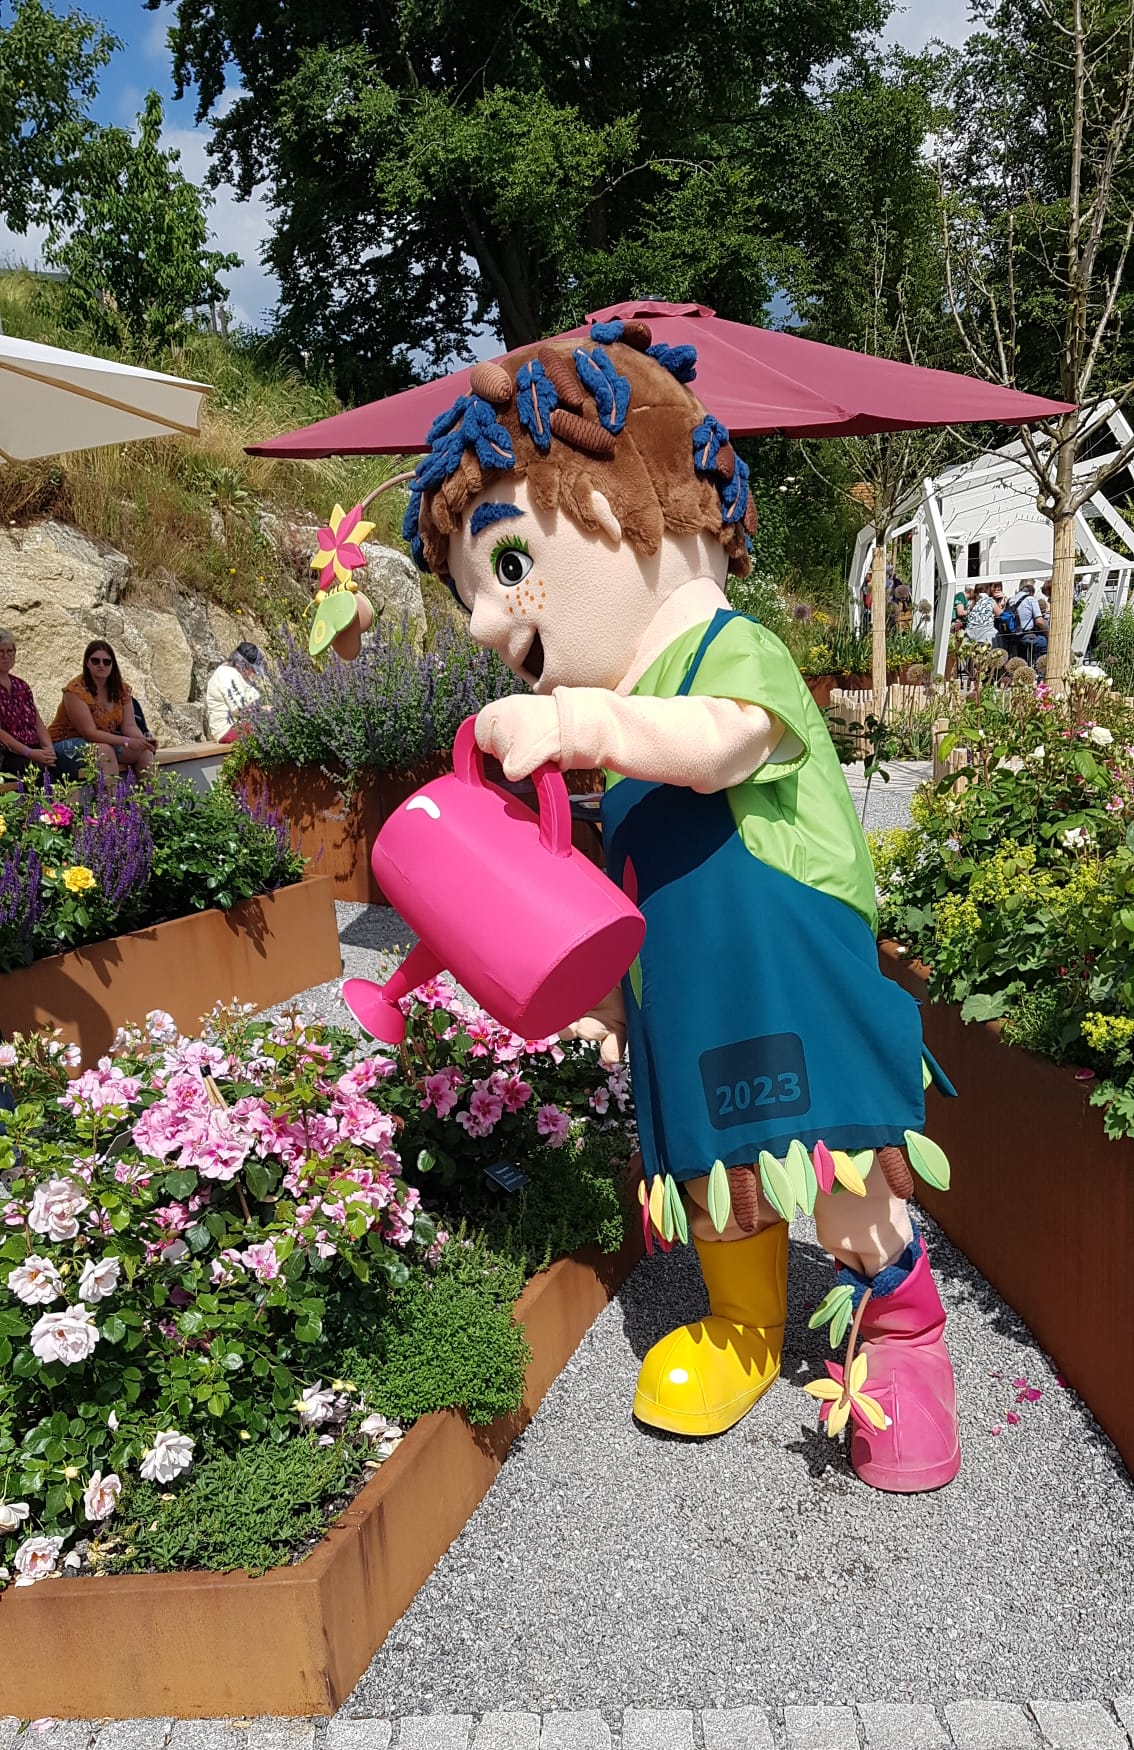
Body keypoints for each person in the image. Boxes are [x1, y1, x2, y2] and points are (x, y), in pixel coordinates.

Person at [345, 325, 962, 1496]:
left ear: (640, 498)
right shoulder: (621, 738)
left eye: (509, 564)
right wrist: (607, 1001)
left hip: (790, 992)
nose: (484, 623)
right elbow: (631, 891)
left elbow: (720, 743)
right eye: (474, 590)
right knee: (722, 1182)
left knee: (839, 1175)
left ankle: (902, 1327)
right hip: (690, 1005)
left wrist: (580, 725)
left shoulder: (736, 652)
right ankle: (745, 1324)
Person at [50, 641, 155, 779]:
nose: (101, 665)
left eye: (106, 662)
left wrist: (143, 742)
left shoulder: (121, 690)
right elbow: (90, 733)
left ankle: (153, 793)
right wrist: (127, 741)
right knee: (104, 752)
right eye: (95, 661)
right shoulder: (75, 691)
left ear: (112, 664)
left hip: (103, 740)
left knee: (144, 753)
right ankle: (109, 793)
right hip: (66, 743)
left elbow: (129, 726)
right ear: (87, 663)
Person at [0, 631, 58, 776]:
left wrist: (49, 750)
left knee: (65, 766)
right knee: (37, 773)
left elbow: (37, 721)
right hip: (9, 753)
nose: (5, 656)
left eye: (9, 651)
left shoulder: (21, 686)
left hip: (34, 748)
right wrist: (29, 753)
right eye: (0, 651)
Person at [205, 643, 263, 743]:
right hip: (228, 729)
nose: (252, 673)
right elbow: (239, 710)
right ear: (242, 664)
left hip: (240, 724)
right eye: (252, 669)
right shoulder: (226, 675)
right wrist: (262, 710)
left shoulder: (237, 674)